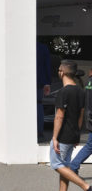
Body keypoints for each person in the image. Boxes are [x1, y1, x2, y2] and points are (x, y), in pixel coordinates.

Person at [49, 60, 91, 191]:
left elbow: (59, 116)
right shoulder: (80, 91)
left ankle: (86, 187)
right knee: (65, 167)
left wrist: (55, 138)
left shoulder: (63, 92)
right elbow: (81, 115)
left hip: (63, 136)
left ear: (62, 73)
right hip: (72, 135)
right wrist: (77, 134)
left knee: (57, 165)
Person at [70, 69, 92, 174]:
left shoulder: (89, 82)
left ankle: (74, 166)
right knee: (90, 145)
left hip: (89, 116)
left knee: (90, 145)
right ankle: (73, 166)